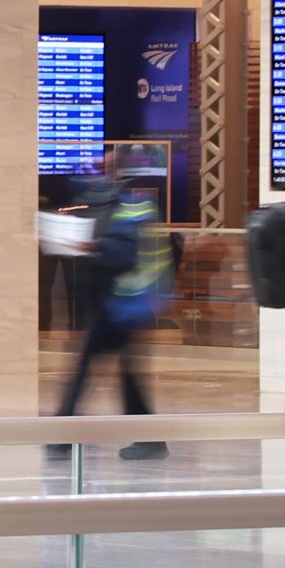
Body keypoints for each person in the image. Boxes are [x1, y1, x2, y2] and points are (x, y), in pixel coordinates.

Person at [49, 153, 172, 460]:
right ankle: (147, 438)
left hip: (127, 302)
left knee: (91, 369)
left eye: (104, 167)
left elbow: (125, 251)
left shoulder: (133, 206)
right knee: (119, 372)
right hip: (117, 302)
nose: (97, 173)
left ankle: (63, 436)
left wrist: (93, 246)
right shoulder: (106, 203)